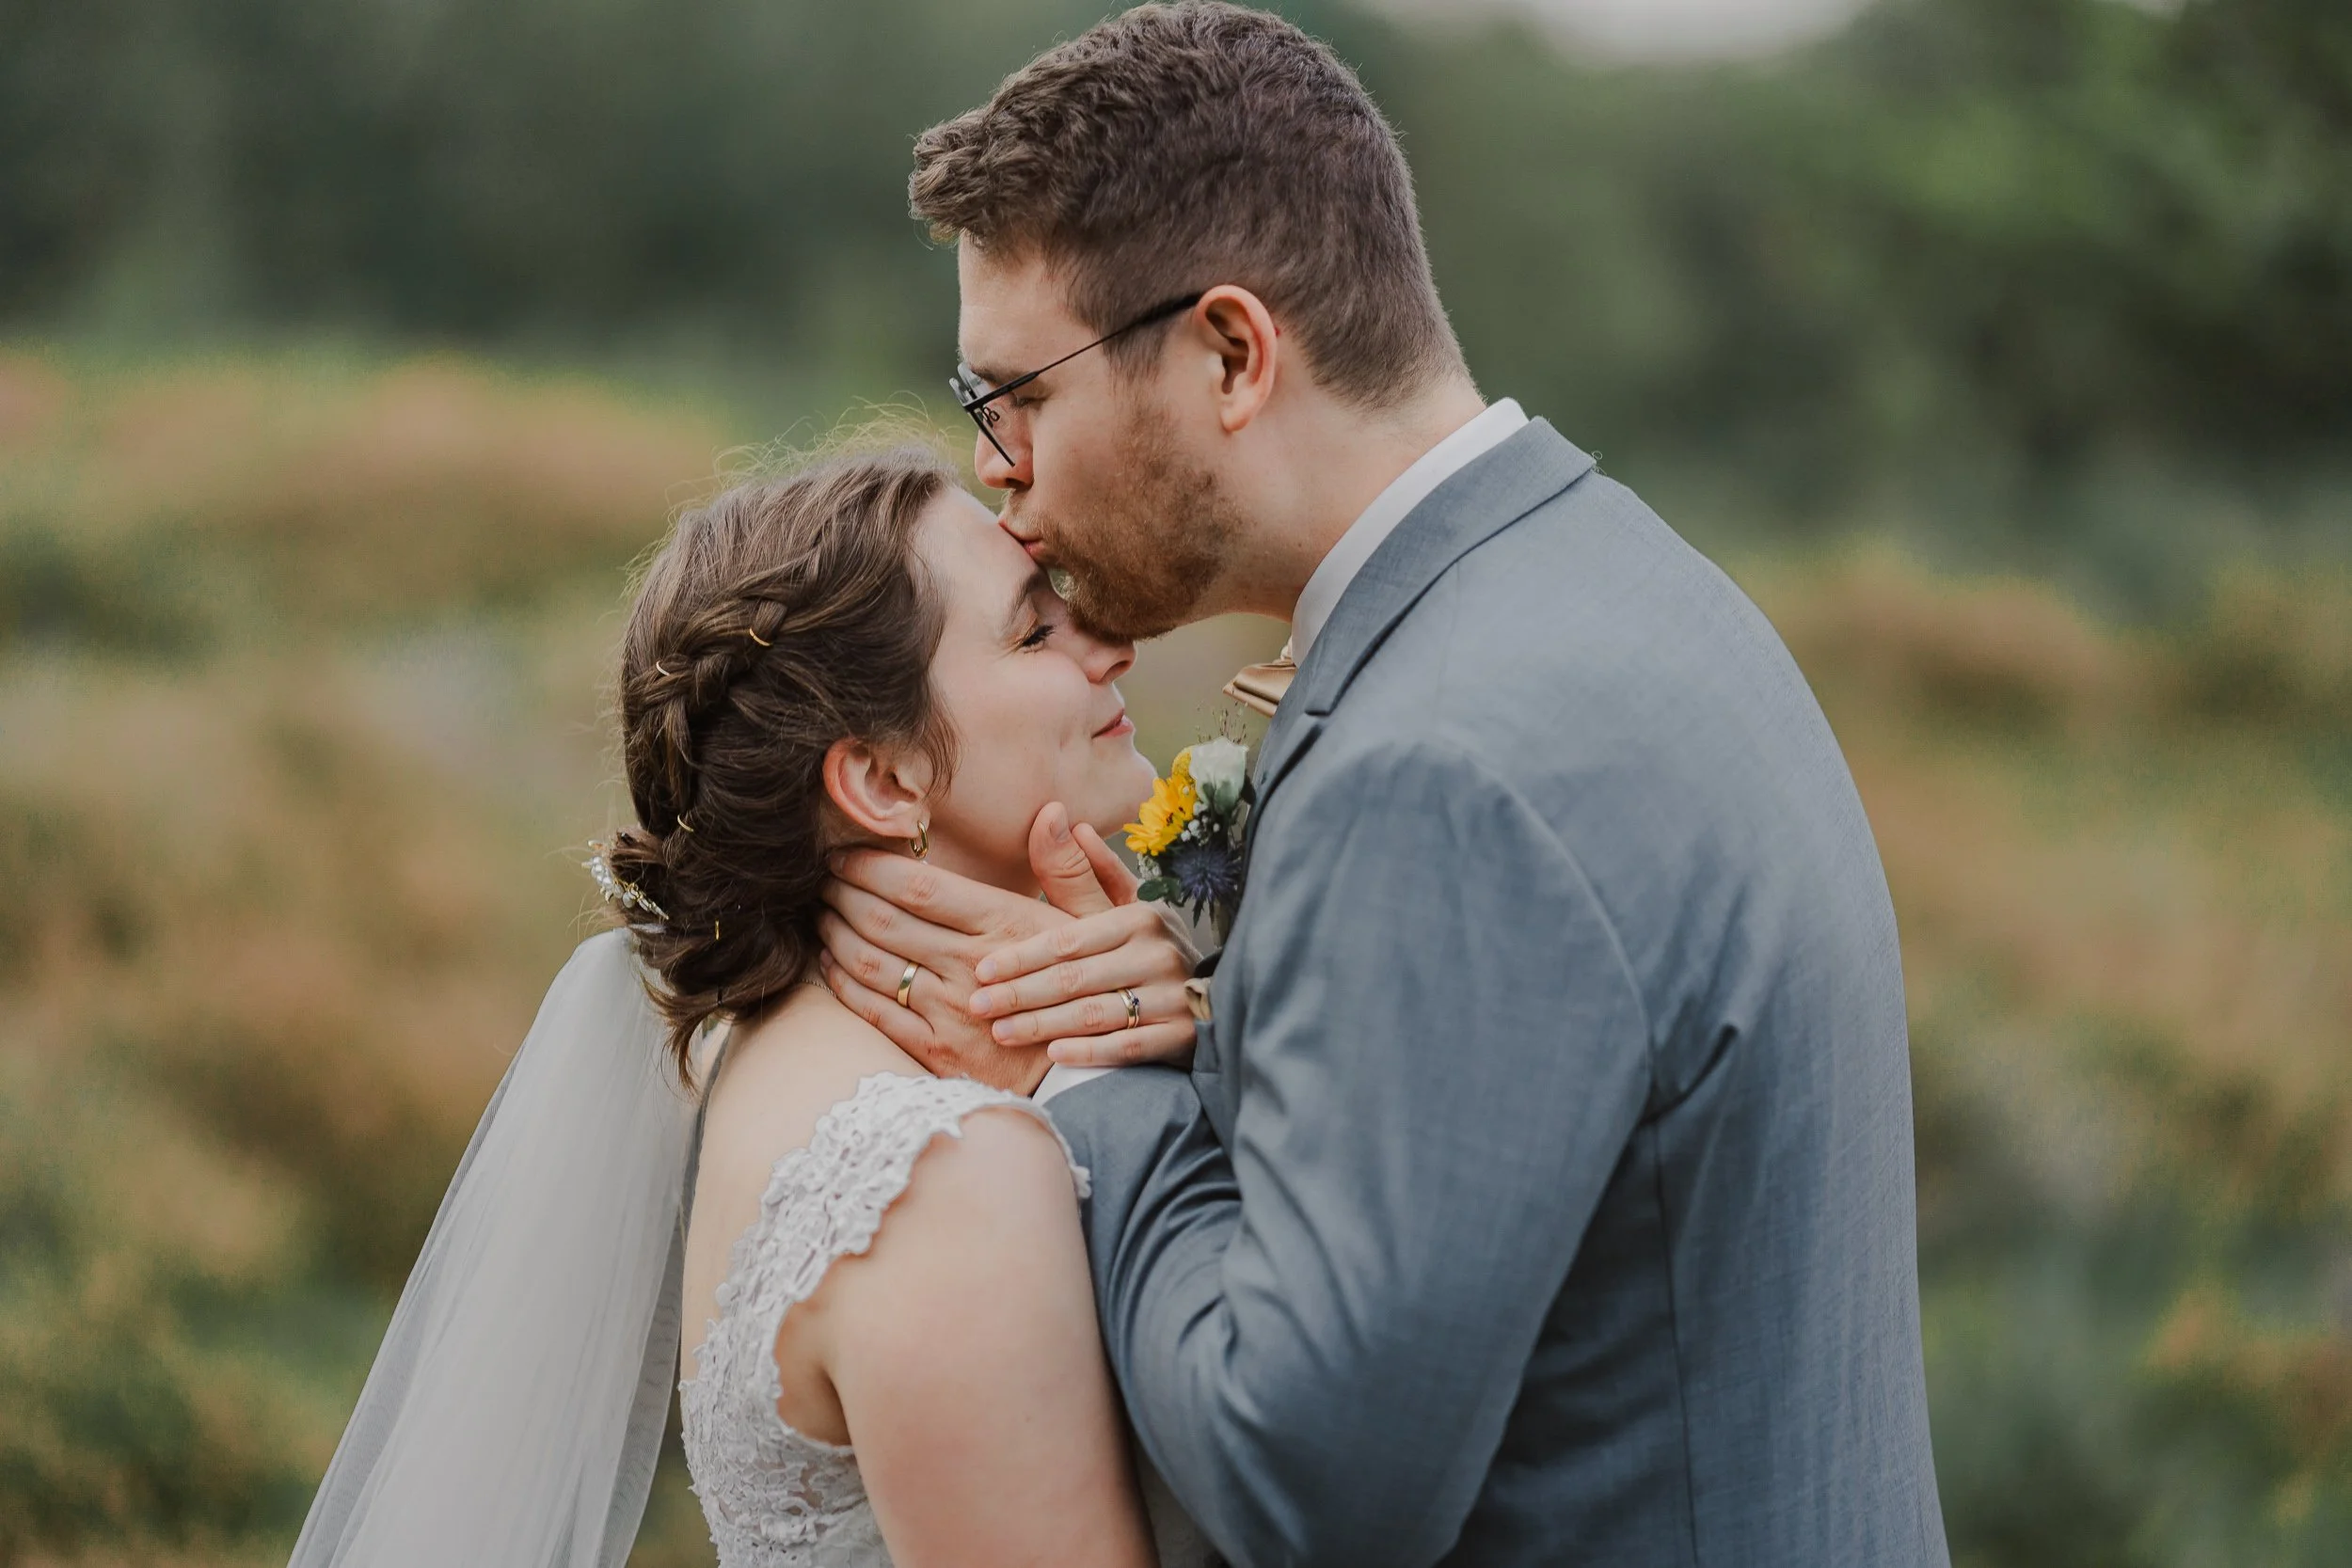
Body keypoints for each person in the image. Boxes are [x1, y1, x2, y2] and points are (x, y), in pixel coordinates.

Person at [818, 5, 1954, 1565]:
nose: (999, 474)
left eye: (1013, 398)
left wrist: (1101, 1080)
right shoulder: (1611, 572)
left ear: (1230, 351)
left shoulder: (1435, 772)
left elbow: (1310, 1485)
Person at [288, 443, 1217, 1567]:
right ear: (880, 780)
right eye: (1034, 631)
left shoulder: (794, 1054)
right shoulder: (935, 1173)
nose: (1111, 644)